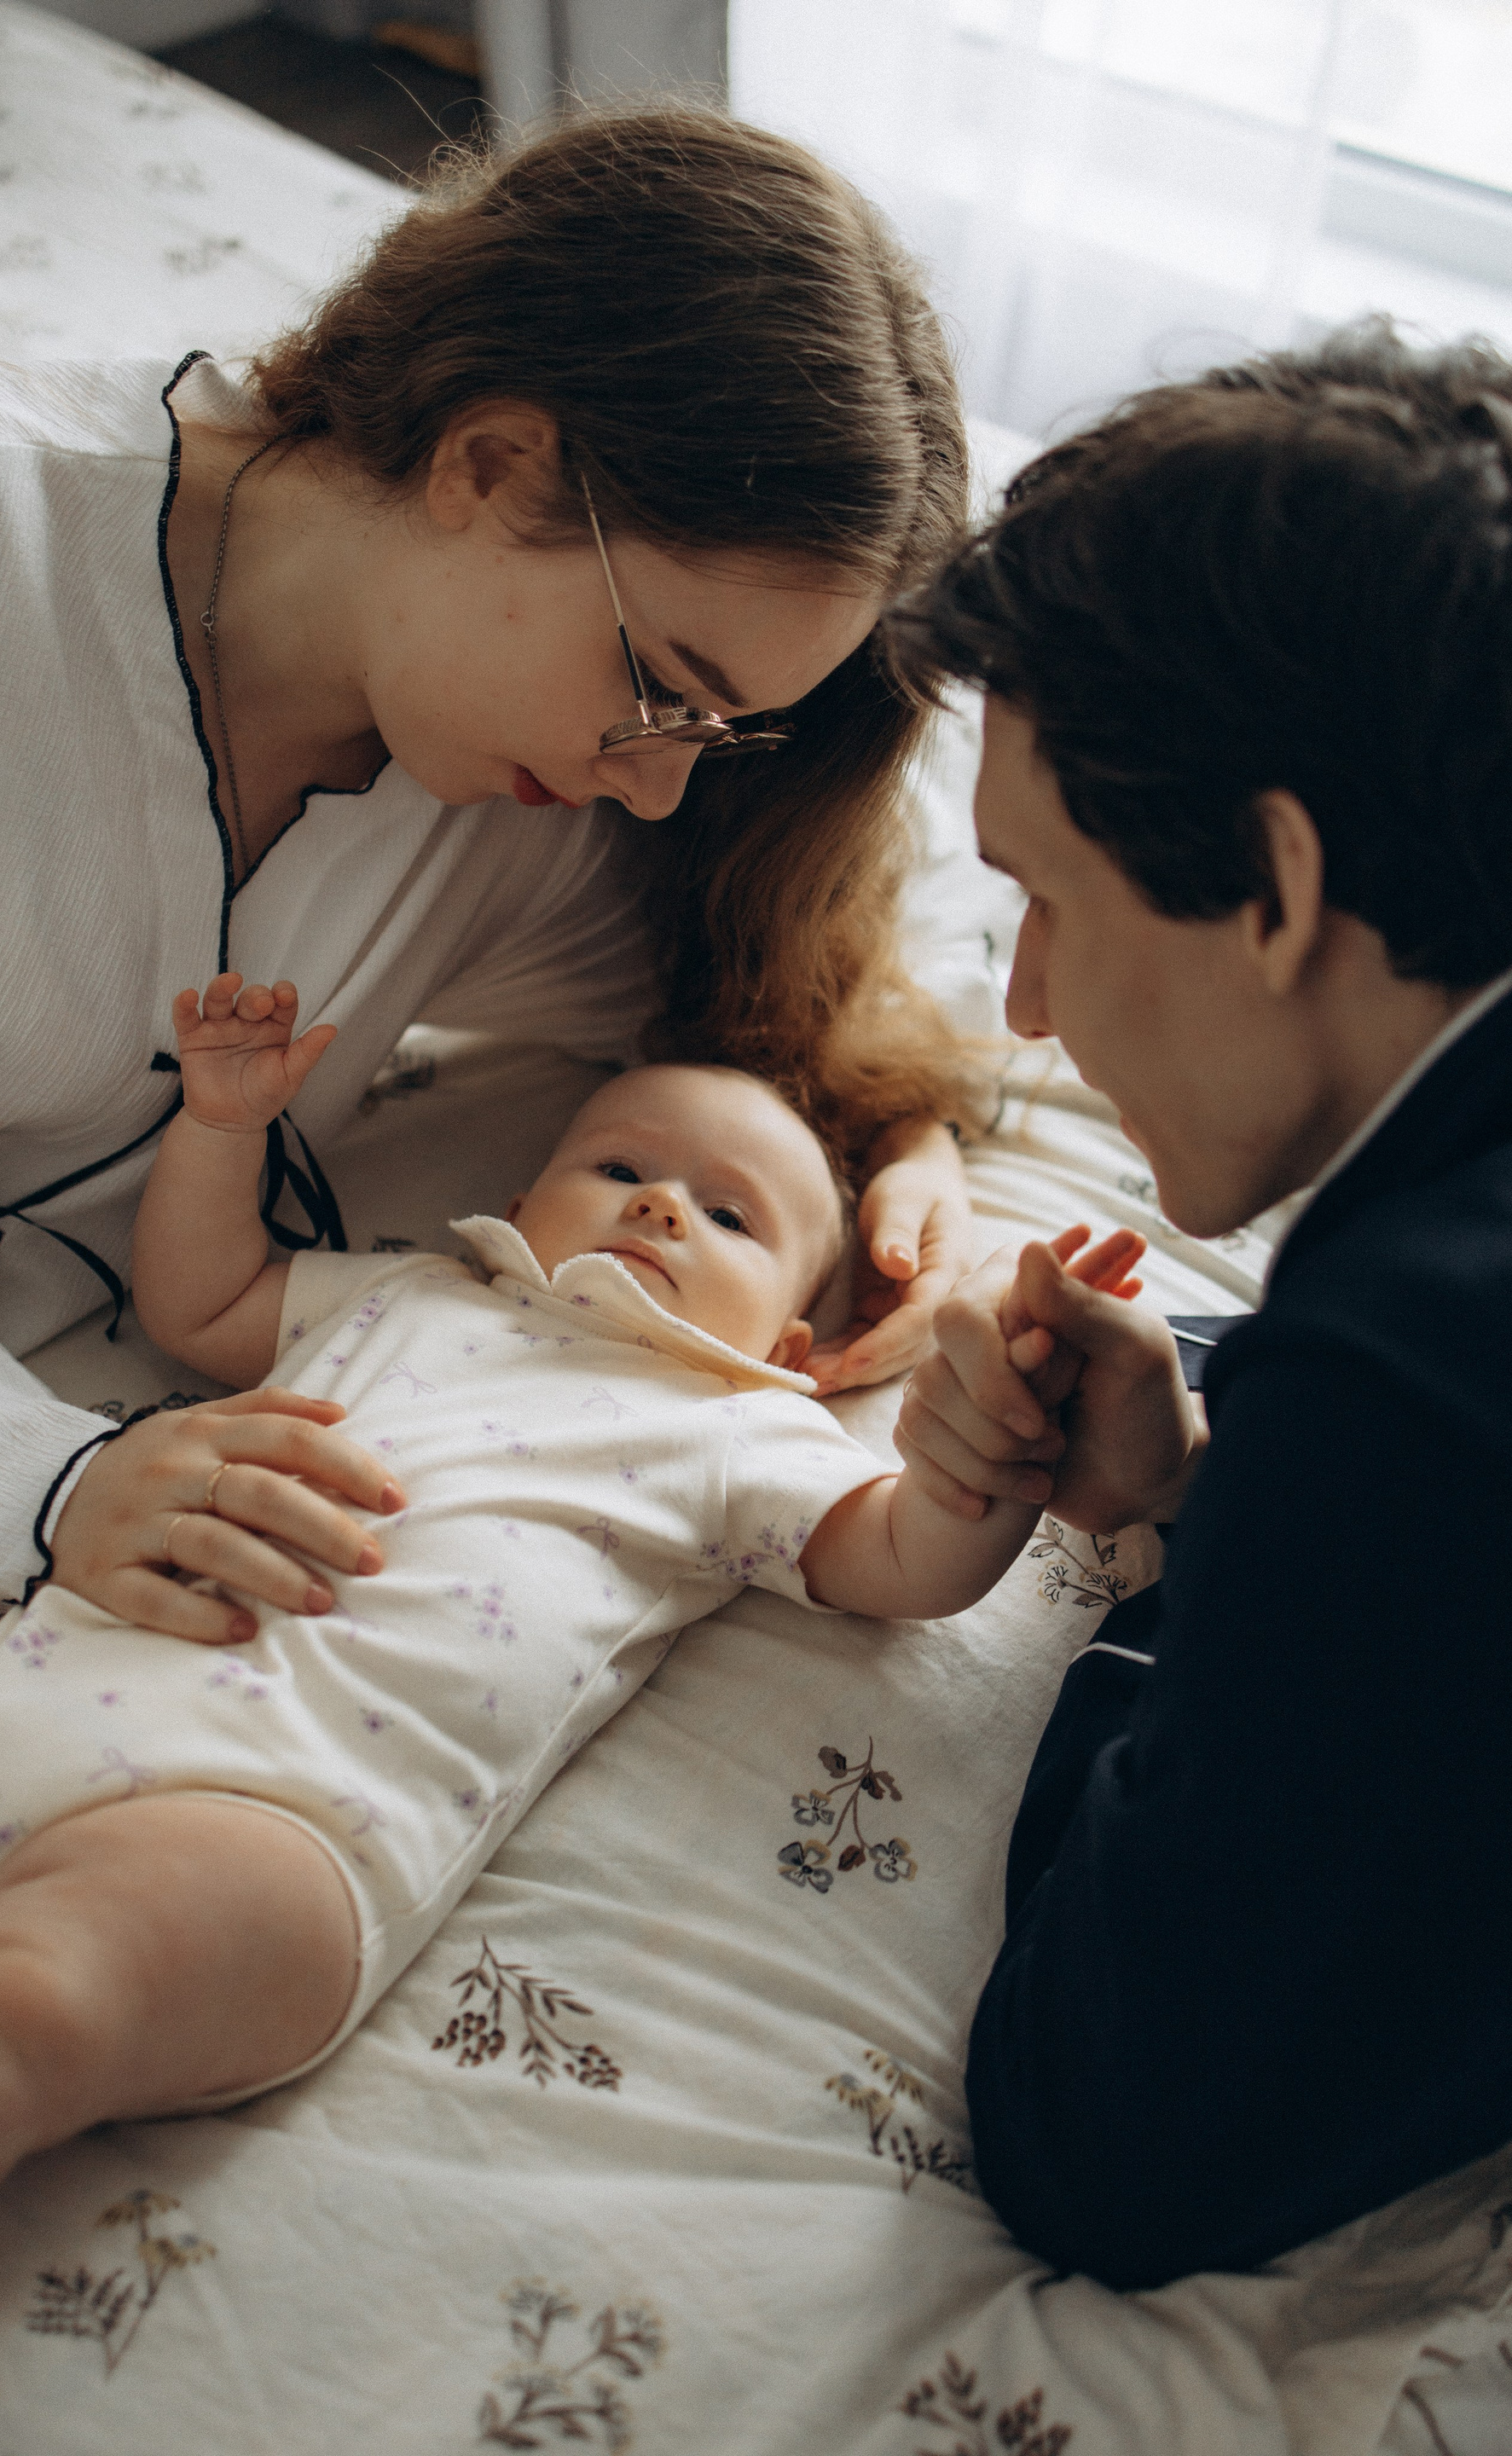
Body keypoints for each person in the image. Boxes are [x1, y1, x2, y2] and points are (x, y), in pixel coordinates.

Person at [0, 104, 982, 1667]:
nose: (659, 783)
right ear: (490, 461)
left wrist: (903, 1135)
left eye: (718, 733)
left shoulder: (511, 800)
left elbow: (768, 968)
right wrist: (33, 1483)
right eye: (663, 689)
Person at [0, 971, 1145, 2293]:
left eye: (729, 1217)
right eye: (621, 1168)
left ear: (791, 1341)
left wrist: (987, 1453)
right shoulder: (411, 1294)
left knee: (3, 2014)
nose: (662, 1206)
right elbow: (198, 1301)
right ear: (527, 1199)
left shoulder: (738, 1423)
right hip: (58, 1660)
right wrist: (222, 1127)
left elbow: (900, 1559)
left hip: (278, 1817)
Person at [889, 320, 1512, 2290]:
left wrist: (1209, 1552)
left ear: (1270, 879)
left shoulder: (1398, 1376)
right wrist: (1202, 1452)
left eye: (1048, 900)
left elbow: (1103, 2140)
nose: (1023, 1006)